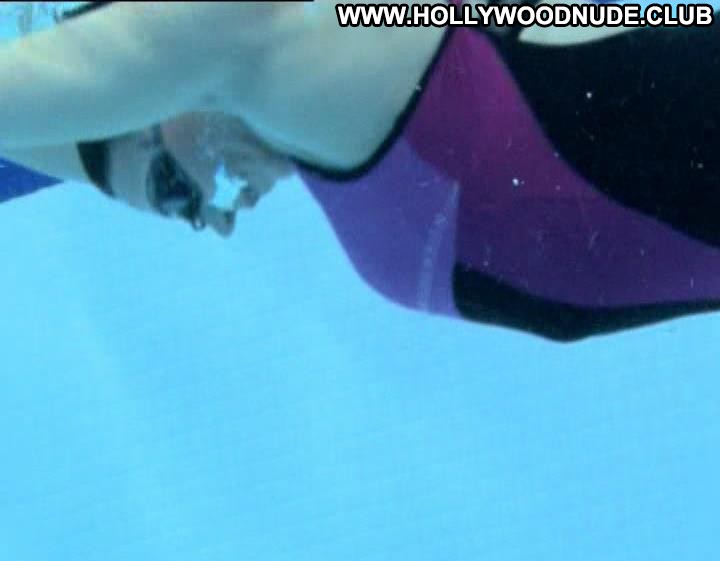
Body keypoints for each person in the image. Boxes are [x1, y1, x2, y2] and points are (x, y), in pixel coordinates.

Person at [2, 1, 720, 341]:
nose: (220, 213)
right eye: (188, 213)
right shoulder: (371, 183)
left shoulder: (267, 33)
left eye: (176, 190)